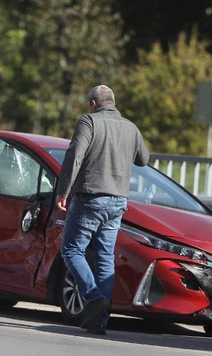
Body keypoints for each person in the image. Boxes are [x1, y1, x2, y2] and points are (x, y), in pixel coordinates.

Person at [56, 84, 149, 335]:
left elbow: (75, 154)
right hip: (118, 201)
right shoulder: (131, 127)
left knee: (72, 250)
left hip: (91, 198)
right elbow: (144, 159)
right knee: (105, 259)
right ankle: (99, 322)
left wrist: (63, 190)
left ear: (94, 104)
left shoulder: (89, 122)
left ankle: (93, 297)